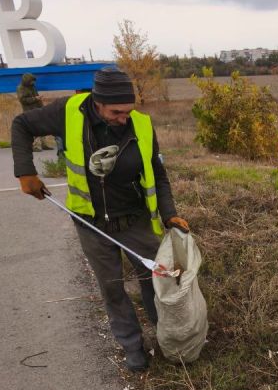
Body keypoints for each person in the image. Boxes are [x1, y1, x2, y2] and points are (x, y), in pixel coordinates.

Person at [11, 67, 189, 372]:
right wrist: (25, 170)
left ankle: (166, 337)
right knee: (112, 288)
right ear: (98, 102)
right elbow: (21, 124)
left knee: (156, 280)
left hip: (135, 220)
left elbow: (157, 172)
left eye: (128, 111)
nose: (124, 118)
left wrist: (169, 211)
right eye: (116, 112)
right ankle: (133, 347)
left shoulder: (141, 125)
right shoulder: (68, 112)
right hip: (91, 225)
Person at [16, 73, 49, 152]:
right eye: (31, 81)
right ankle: (35, 146)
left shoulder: (32, 87)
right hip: (29, 111)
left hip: (38, 110)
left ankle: (44, 145)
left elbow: (35, 97)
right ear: (27, 80)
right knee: (34, 129)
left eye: (33, 81)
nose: (33, 83)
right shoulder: (20, 88)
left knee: (42, 127)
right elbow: (23, 100)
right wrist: (35, 99)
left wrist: (40, 103)